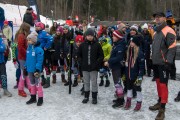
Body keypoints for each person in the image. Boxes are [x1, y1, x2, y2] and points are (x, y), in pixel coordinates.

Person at [149, 12, 176, 120]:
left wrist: (168, 62)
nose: (157, 19)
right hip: (156, 62)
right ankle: (160, 102)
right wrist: (151, 59)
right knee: (158, 83)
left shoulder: (169, 30)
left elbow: (172, 47)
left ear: (164, 18)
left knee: (163, 85)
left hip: (163, 63)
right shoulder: (155, 32)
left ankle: (162, 109)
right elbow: (154, 48)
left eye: (159, 17)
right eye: (156, 17)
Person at [78, 28, 104, 104]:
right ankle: (86, 96)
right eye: (88, 35)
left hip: (94, 68)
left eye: (91, 35)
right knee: (86, 82)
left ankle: (94, 97)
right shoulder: (82, 45)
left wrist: (97, 63)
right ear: (86, 36)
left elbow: (101, 56)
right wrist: (81, 62)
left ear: (93, 36)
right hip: (85, 67)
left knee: (94, 82)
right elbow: (78, 55)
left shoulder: (97, 45)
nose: (89, 37)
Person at [104, 30, 126, 108]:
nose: (112, 37)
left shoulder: (120, 46)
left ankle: (121, 100)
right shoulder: (117, 44)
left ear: (118, 37)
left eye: (114, 36)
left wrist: (109, 61)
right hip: (115, 67)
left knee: (118, 84)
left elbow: (119, 58)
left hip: (117, 67)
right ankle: (119, 97)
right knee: (117, 83)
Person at [124, 36, 145, 111]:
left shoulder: (139, 53)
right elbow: (127, 64)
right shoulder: (128, 51)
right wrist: (125, 73)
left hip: (136, 76)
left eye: (132, 42)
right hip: (129, 75)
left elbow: (142, 67)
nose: (131, 43)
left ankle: (139, 102)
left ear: (136, 43)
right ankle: (128, 101)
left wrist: (140, 76)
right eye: (130, 42)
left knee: (138, 89)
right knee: (129, 88)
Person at [25, 31, 44, 106]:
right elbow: (27, 59)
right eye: (28, 40)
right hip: (29, 69)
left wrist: (37, 69)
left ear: (34, 41)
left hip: (36, 70)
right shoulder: (28, 49)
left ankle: (40, 98)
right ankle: (33, 97)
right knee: (32, 83)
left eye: (29, 40)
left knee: (38, 84)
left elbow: (39, 60)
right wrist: (25, 68)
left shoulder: (38, 50)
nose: (28, 41)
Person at [35, 22, 53, 88]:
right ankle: (43, 79)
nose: (36, 27)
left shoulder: (44, 33)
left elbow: (51, 39)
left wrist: (46, 46)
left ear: (41, 27)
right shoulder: (35, 34)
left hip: (44, 53)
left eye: (38, 26)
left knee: (46, 66)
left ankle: (48, 82)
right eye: (36, 26)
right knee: (40, 66)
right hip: (38, 53)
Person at [16, 22, 31, 97]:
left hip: (24, 57)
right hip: (22, 58)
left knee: (26, 73)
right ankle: (20, 89)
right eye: (28, 29)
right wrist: (27, 53)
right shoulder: (21, 36)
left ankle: (30, 87)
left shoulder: (24, 35)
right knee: (23, 74)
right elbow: (20, 48)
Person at [0, 32, 12, 97]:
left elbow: (3, 48)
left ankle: (5, 89)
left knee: (3, 75)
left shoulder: (0, 40)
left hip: (1, 61)